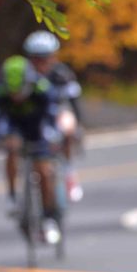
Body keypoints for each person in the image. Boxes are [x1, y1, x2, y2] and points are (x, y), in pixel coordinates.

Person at [0, 55, 62, 244]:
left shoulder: (42, 89)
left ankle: (49, 216)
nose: (17, 97)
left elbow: (51, 119)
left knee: (44, 171)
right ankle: (12, 196)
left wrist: (53, 137)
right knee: (11, 149)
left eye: (21, 91)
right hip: (15, 128)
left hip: (37, 129)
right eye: (12, 93)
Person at [23, 30, 85, 202]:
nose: (41, 62)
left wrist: (78, 125)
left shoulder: (62, 74)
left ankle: (69, 172)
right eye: (36, 58)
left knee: (68, 125)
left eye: (45, 57)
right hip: (32, 115)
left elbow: (73, 100)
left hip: (57, 112)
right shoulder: (25, 75)